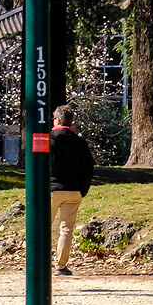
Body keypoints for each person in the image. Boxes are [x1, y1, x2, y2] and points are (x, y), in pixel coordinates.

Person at [49, 104, 95, 276]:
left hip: (52, 189)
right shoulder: (80, 143)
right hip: (73, 190)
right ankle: (61, 266)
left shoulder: (49, 140)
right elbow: (89, 169)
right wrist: (82, 190)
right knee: (66, 229)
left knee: (42, 227)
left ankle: (39, 264)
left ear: (57, 120)